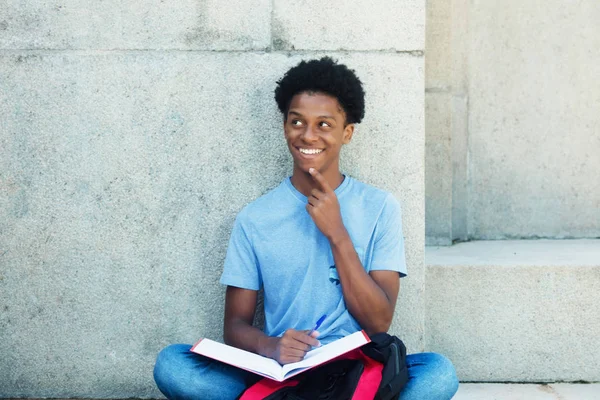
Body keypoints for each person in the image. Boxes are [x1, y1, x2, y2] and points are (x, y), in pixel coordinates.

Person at [154, 57, 459, 399]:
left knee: (437, 372)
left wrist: (337, 234)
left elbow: (379, 323)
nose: (308, 135)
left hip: (358, 372)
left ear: (347, 133)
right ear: (285, 127)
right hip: (284, 374)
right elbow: (235, 326)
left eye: (324, 124)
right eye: (297, 121)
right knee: (173, 364)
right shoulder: (254, 219)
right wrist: (271, 346)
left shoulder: (380, 207)